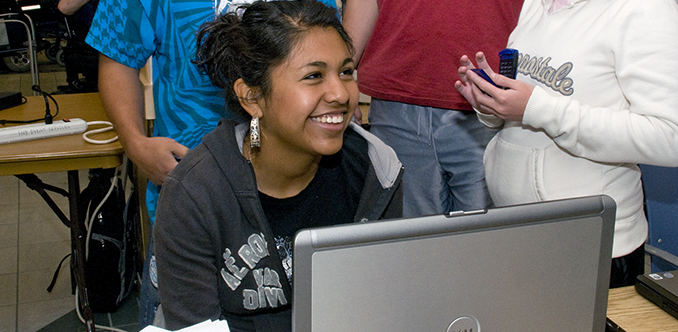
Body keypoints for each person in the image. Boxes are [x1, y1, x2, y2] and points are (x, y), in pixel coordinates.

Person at [85, 0, 337, 327]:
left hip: (296, 204)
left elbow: (326, 49)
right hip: (189, 198)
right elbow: (117, 56)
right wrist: (135, 144)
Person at [153, 1, 403, 330]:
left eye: (346, 72)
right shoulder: (195, 194)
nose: (341, 93)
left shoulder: (375, 170)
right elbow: (193, 322)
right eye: (314, 76)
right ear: (252, 97)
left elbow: (387, 306)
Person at [454, 0, 678, 287]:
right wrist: (492, 106)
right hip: (516, 231)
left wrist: (540, 109)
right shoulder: (536, 3)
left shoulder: (645, 8)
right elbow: (529, 109)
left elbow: (669, 136)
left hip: (589, 246)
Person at [341, 0, 524, 218]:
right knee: (407, 240)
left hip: (493, 101)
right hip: (397, 98)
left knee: (487, 240)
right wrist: (340, 77)